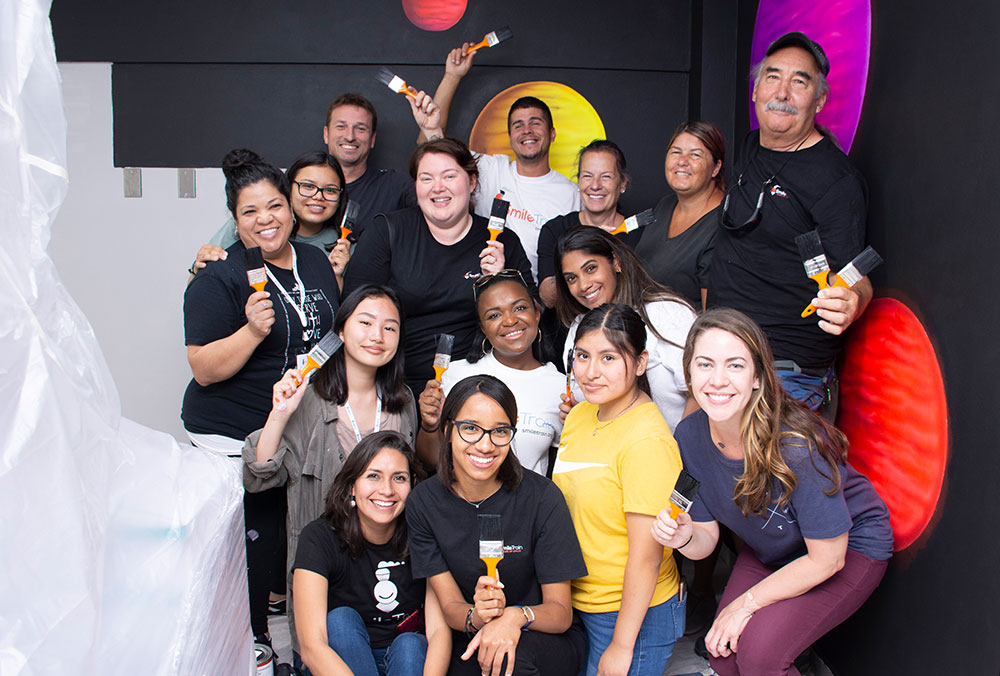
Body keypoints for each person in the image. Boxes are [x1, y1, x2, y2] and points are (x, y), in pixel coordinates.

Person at [652, 308, 892, 676]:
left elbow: (827, 559)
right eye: (704, 365)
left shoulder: (797, 446)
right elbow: (706, 539)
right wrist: (684, 537)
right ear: (688, 373)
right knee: (723, 654)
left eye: (734, 366)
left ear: (758, 378)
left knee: (761, 657)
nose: (717, 380)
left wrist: (745, 605)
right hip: (774, 548)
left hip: (846, 546)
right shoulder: (688, 436)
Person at [181, 148, 340, 643]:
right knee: (251, 549)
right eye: (249, 212)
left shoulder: (315, 261)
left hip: (293, 430)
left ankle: (294, 638)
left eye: (273, 206)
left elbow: (327, 336)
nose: (265, 220)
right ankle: (254, 645)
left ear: (291, 208)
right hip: (232, 434)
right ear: (234, 221)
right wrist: (251, 332)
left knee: (290, 545)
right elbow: (204, 370)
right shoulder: (218, 276)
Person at [243, 284, 418, 651]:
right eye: (366, 322)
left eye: (390, 327)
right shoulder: (308, 398)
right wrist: (279, 414)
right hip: (324, 569)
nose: (377, 336)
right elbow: (259, 477)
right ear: (340, 331)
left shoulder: (403, 404)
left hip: (389, 567)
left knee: (403, 652)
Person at [708, 31, 872, 416]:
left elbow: (855, 278)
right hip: (723, 357)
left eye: (800, 81)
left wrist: (853, 301)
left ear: (820, 100)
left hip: (785, 376)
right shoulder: (750, 147)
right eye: (773, 76)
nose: (782, 92)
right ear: (755, 91)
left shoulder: (836, 181)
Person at [405, 375, 588, 676]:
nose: (485, 445)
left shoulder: (542, 498)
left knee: (505, 663)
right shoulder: (424, 503)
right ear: (449, 430)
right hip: (472, 633)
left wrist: (514, 617)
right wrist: (478, 617)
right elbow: (450, 604)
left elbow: (560, 613)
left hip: (541, 634)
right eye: (471, 429)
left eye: (499, 431)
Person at [342, 138, 535, 407]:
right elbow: (352, 312)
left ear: (472, 182)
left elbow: (534, 315)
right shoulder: (387, 231)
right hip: (396, 386)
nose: (438, 187)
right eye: (426, 178)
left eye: (449, 176)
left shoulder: (502, 241)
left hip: (479, 388)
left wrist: (501, 282)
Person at [552, 304, 685, 676]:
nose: (591, 372)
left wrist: (622, 645)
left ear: (641, 363)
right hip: (579, 601)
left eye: (608, 357)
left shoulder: (647, 441)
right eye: (582, 356)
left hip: (631, 614)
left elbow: (647, 556)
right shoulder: (580, 415)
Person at [412, 45, 580, 278]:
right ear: (510, 137)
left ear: (552, 133)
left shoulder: (571, 194)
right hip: (478, 284)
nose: (527, 131)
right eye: (518, 125)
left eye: (535, 123)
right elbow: (430, 147)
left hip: (537, 299)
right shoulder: (489, 169)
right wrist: (452, 76)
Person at [292, 431, 451, 676]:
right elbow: (312, 647)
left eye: (399, 478)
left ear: (413, 486)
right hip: (344, 663)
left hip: (406, 663)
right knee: (339, 620)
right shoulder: (319, 537)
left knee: (411, 643)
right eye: (373, 476)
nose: (386, 490)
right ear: (351, 486)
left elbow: (439, 631)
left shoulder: (423, 534)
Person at [415, 270, 563, 475]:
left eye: (519, 308)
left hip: (526, 505)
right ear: (483, 328)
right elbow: (433, 461)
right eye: (494, 315)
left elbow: (559, 470)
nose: (510, 321)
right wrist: (429, 425)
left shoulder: (560, 387)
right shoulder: (456, 375)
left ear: (537, 313)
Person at [554, 227, 696, 430]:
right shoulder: (579, 327)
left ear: (616, 262)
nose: (583, 285)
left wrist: (678, 453)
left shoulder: (666, 313)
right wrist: (579, 412)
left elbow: (700, 393)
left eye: (591, 268)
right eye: (571, 278)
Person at [191, 151, 354, 290]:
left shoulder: (343, 246)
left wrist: (336, 276)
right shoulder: (247, 226)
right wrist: (198, 267)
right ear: (287, 189)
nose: (318, 196)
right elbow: (202, 288)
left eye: (330, 190)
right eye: (308, 186)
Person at [535, 140, 643, 309]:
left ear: (622, 183)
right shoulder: (556, 230)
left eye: (606, 176)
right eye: (587, 176)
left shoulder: (642, 233)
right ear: (578, 182)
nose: (595, 185)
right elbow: (547, 298)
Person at [633, 121, 726, 310]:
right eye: (676, 152)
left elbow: (713, 316)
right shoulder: (664, 206)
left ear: (715, 168)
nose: (682, 161)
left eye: (695, 154)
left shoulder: (722, 223)